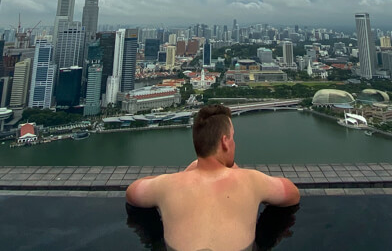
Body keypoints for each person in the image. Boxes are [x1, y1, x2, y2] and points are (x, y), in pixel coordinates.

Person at [125, 104, 300, 251]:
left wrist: (184, 174)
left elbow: (132, 192)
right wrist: (237, 171)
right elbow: (292, 194)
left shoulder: (167, 185)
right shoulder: (251, 181)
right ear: (225, 142)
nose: (234, 143)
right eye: (233, 137)